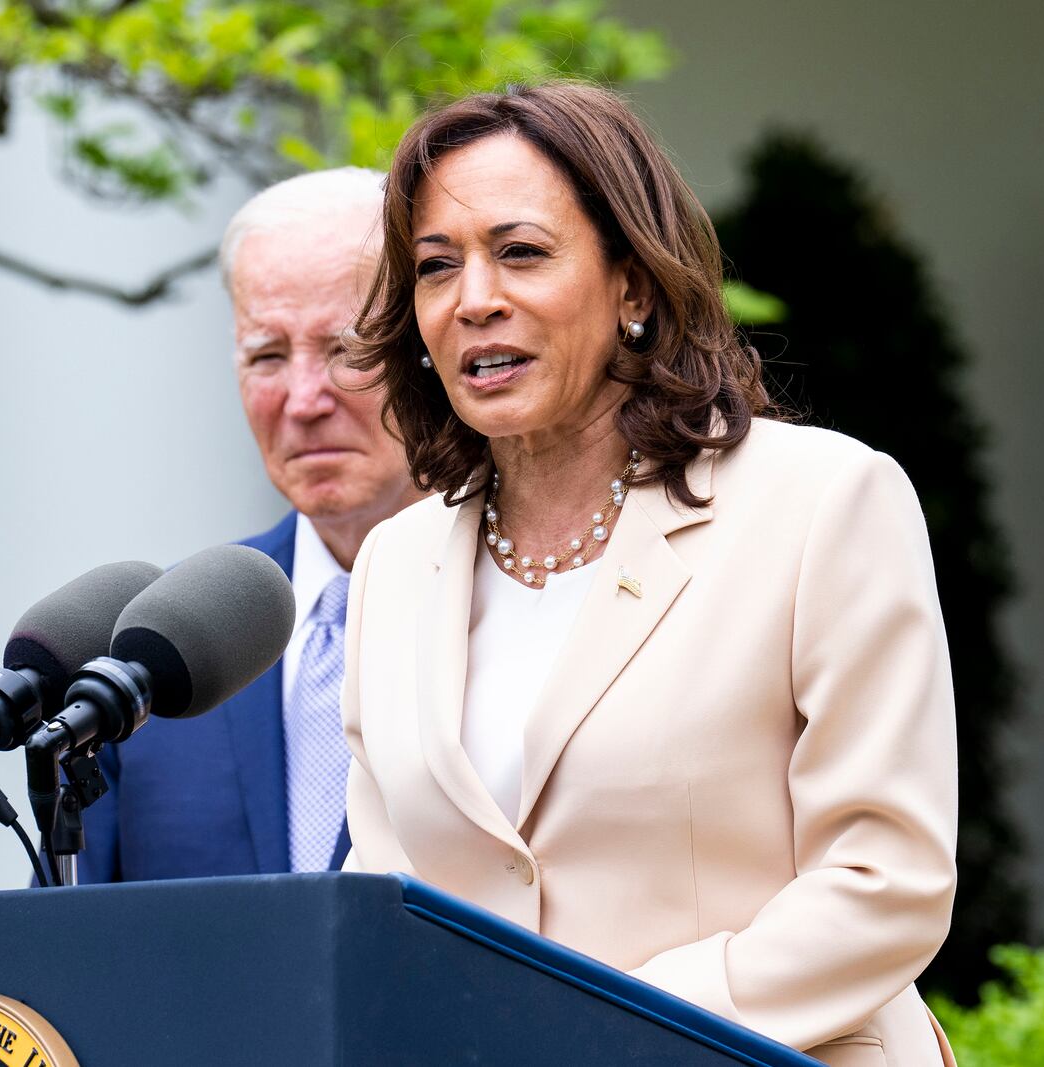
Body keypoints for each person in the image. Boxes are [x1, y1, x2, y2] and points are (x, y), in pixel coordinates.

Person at [337, 83, 959, 1066]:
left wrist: (599, 1026)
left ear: (633, 285)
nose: (474, 297)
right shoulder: (395, 564)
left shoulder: (824, 500)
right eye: (435, 266)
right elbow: (388, 903)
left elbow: (885, 879)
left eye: (522, 252)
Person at [76, 168, 426, 882]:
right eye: (267, 355)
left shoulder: (531, 607)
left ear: (427, 348)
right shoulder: (159, 646)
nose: (302, 399)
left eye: (347, 349)